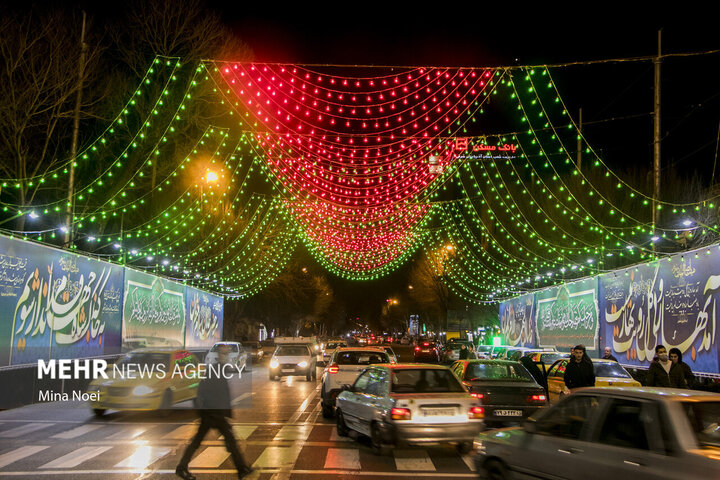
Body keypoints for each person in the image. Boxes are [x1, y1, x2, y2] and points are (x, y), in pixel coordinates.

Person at [176, 345, 253, 480]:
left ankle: (242, 468)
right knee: (229, 441)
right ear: (220, 355)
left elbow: (218, 394)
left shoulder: (219, 369)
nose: (227, 356)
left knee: (207, 441)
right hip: (213, 414)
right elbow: (206, 392)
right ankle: (241, 469)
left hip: (213, 413)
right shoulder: (216, 369)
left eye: (227, 353)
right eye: (225, 353)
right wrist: (213, 412)